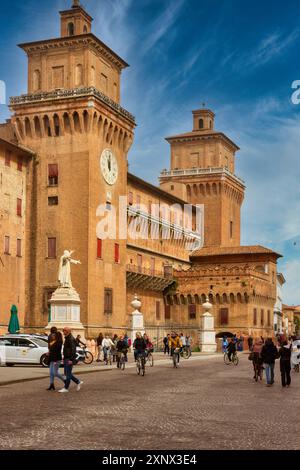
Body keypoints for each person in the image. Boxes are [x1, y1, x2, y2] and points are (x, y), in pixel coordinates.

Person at [58, 327, 83, 393]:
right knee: (66, 373)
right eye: (63, 330)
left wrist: (71, 359)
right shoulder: (67, 338)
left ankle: (66, 388)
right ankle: (78, 381)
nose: (63, 332)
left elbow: (73, 349)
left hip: (69, 358)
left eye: (64, 331)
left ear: (68, 331)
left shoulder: (70, 339)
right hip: (67, 358)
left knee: (68, 373)